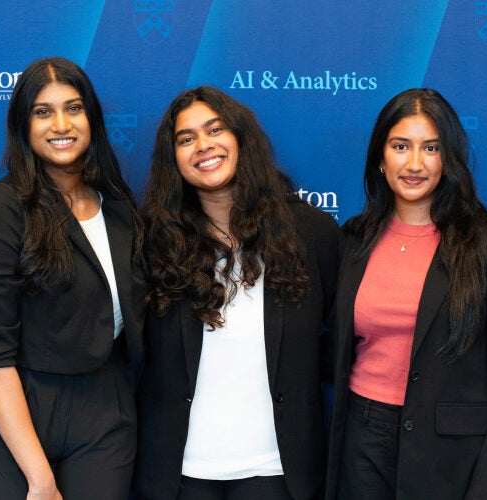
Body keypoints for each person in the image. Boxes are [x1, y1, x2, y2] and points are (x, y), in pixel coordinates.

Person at [325, 88, 487, 500]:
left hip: (450, 453)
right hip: (361, 437)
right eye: (401, 146)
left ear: (449, 159)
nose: (415, 164)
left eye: (431, 148)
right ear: (380, 158)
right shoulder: (353, 239)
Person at [134, 86, 339, 500]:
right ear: (173, 159)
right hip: (179, 472)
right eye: (186, 138)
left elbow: (339, 341)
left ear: (241, 138)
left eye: (215, 129)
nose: (203, 145)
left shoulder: (312, 234)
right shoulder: (152, 243)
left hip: (277, 469)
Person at [0, 56, 144, 500]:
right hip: (17, 408)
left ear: (92, 119)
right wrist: (40, 480)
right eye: (43, 111)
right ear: (23, 124)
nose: (61, 123)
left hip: (105, 407)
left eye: (73, 108)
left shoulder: (120, 209)